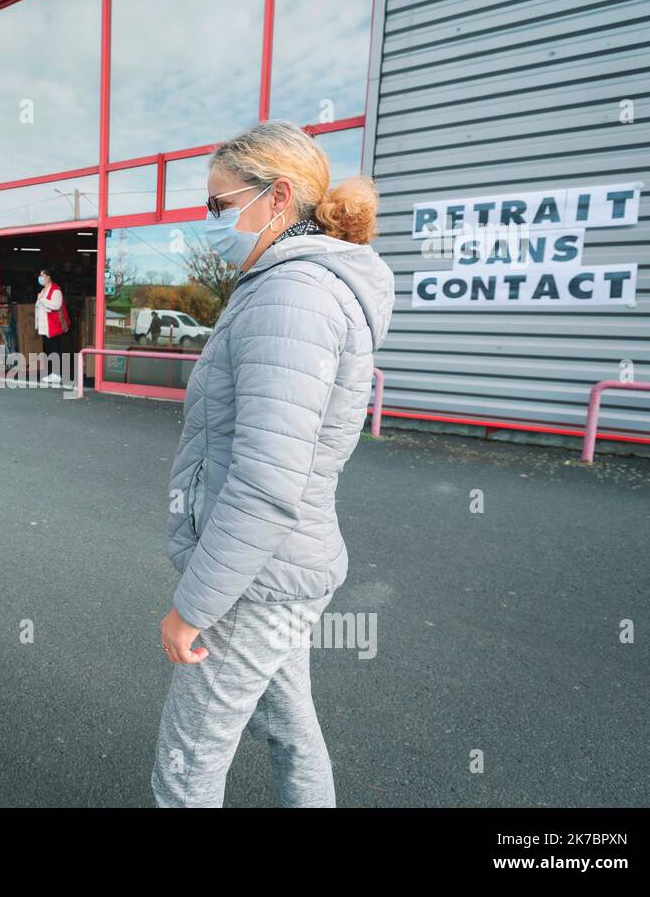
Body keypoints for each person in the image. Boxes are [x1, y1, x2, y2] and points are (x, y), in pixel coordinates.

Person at [151, 120, 394, 807]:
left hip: (256, 579)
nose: (211, 221)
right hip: (281, 569)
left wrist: (192, 608)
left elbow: (266, 482)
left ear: (278, 197)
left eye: (219, 205)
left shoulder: (293, 295)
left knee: (186, 766)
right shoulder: (288, 285)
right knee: (290, 731)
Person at [35, 268, 66, 384]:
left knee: (54, 349)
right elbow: (40, 305)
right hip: (44, 326)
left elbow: (56, 305)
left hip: (52, 326)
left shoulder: (56, 290)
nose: (40, 277)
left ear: (48, 277)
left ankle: (57, 374)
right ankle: (52, 373)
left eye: (42, 275)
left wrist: (41, 300)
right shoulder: (44, 290)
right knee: (48, 350)